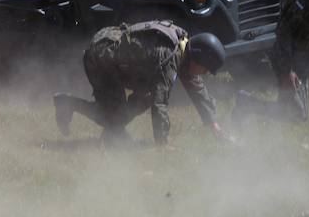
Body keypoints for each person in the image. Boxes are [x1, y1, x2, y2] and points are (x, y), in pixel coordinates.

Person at [53, 21, 228, 146]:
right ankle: (67, 103)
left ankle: (114, 132)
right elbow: (160, 103)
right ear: (197, 59)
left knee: (143, 99)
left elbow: (195, 85)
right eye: (205, 69)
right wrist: (163, 144)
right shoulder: (169, 57)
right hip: (101, 60)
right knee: (113, 117)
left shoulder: (183, 46)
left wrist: (213, 123)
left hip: (115, 59)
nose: (205, 74)